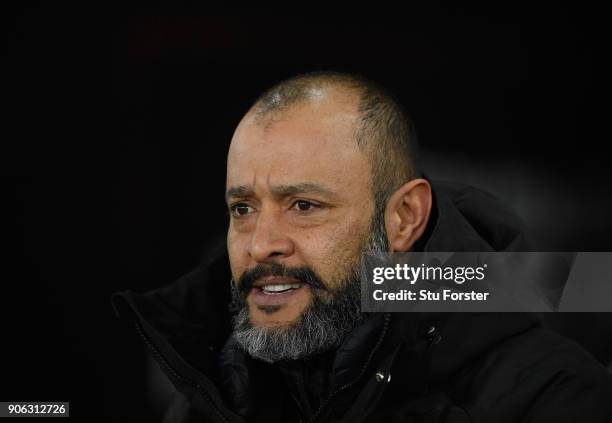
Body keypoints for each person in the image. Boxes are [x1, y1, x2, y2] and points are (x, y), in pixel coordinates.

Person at [112, 71, 612, 422]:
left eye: (305, 205)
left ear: (405, 219)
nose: (261, 244)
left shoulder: (555, 393)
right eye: (242, 208)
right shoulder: (212, 385)